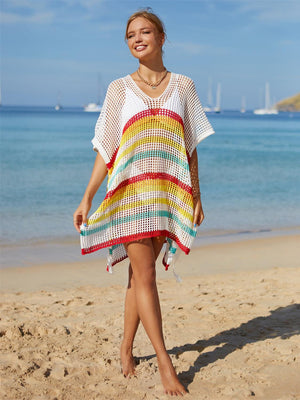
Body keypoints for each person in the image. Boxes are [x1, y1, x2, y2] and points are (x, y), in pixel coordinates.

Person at [73, 9, 214, 397]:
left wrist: (196, 194)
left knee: (139, 277)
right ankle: (166, 364)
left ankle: (124, 346)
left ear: (162, 37)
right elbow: (106, 148)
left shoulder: (183, 86)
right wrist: (86, 197)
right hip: (130, 194)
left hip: (167, 193)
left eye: (145, 31)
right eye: (131, 35)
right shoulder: (119, 89)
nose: (137, 39)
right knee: (147, 277)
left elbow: (190, 147)